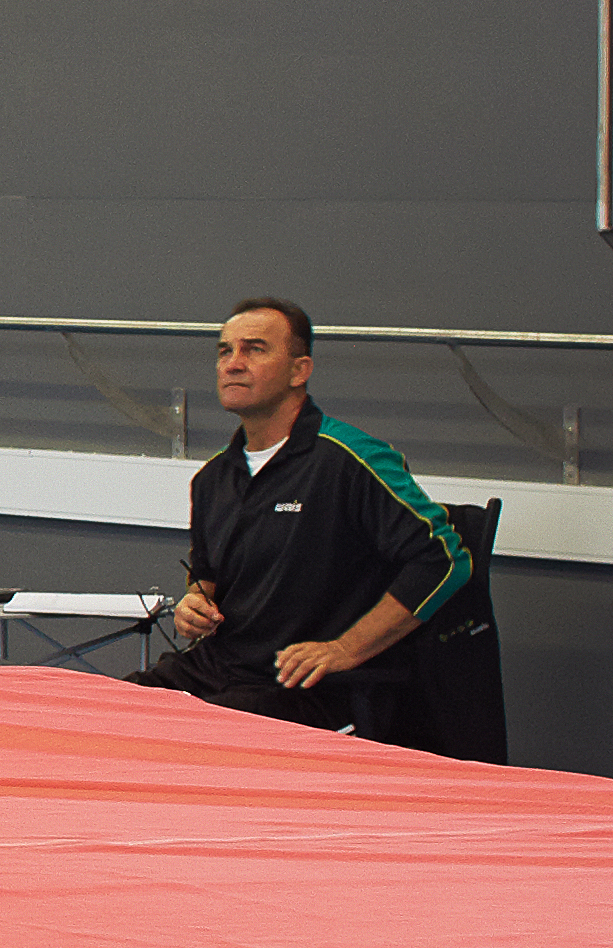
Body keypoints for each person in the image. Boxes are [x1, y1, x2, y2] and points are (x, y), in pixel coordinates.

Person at [138, 296, 473, 744]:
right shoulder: (213, 478)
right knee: (102, 713)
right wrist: (193, 607)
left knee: (189, 741)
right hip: (217, 669)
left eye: (254, 349)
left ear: (299, 371)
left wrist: (345, 649)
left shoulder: (350, 459)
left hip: (303, 690)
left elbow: (444, 561)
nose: (233, 364)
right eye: (224, 351)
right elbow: (207, 578)